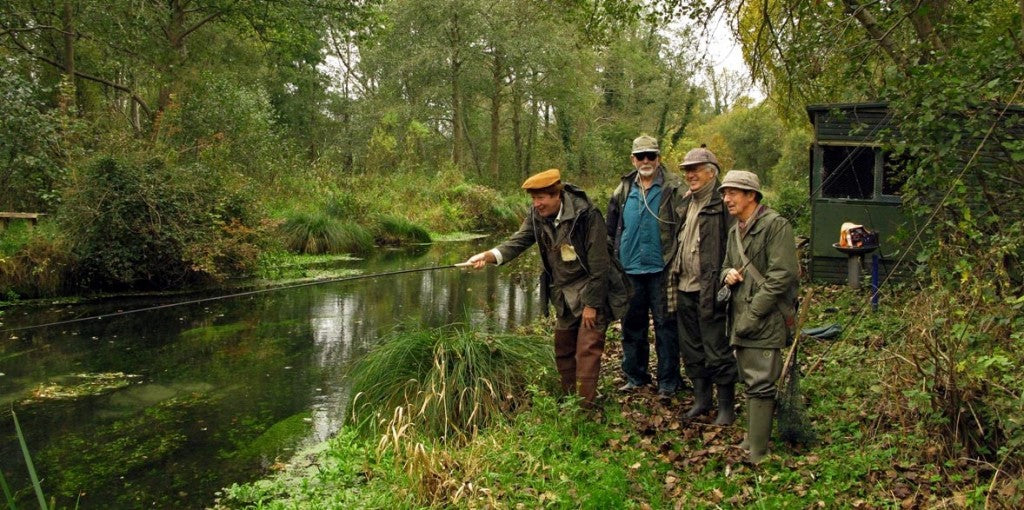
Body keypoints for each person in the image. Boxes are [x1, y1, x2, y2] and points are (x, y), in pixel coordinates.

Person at [466, 168, 627, 406]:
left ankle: (584, 409)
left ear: (556, 195)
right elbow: (518, 241)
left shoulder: (587, 215)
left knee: (587, 352)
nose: (536, 204)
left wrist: (592, 305)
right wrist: (487, 256)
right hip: (562, 294)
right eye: (533, 198)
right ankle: (571, 401)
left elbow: (600, 267)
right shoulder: (537, 215)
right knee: (563, 350)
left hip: (590, 290)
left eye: (541, 198)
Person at [718, 170, 799, 464]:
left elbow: (782, 276)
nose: (726, 199)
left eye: (733, 193)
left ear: (751, 195)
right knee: (751, 380)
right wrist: (728, 274)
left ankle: (759, 453)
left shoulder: (776, 226)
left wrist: (753, 313)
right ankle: (752, 440)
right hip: (741, 316)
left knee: (762, 382)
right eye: (724, 193)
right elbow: (725, 265)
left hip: (765, 317)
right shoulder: (733, 230)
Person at [606, 135, 684, 398]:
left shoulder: (675, 188)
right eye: (641, 156)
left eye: (651, 155)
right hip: (630, 270)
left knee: (666, 327)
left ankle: (668, 381)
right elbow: (611, 228)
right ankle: (636, 376)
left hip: (663, 269)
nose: (646, 160)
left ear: (659, 158)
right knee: (632, 326)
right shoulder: (623, 190)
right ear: (633, 159)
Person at [667, 146, 737, 424]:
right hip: (684, 287)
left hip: (711, 290)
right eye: (686, 170)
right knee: (692, 348)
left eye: (695, 169)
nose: (690, 175)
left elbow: (736, 245)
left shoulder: (723, 204)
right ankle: (702, 401)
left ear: (712, 173)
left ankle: (726, 409)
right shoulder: (686, 203)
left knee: (716, 348)